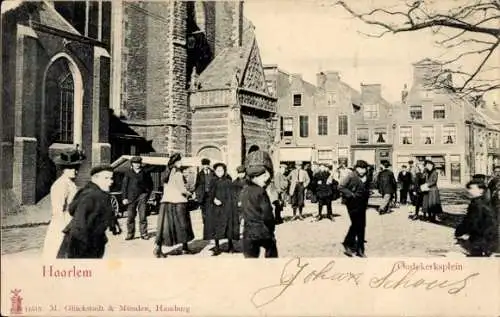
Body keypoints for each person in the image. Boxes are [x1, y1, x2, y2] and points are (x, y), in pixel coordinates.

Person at [60, 165, 119, 258]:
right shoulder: (93, 195)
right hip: (82, 243)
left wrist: (113, 223)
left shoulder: (89, 191)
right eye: (106, 178)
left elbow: (72, 209)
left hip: (87, 240)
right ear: (95, 178)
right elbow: (79, 223)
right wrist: (82, 245)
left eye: (111, 178)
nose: (111, 181)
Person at [43, 149, 85, 259]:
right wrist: (65, 229)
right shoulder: (61, 184)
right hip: (62, 224)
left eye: (76, 168)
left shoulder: (70, 183)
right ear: (63, 169)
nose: (75, 171)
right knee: (58, 254)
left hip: (71, 222)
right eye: (70, 168)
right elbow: (58, 210)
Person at [154, 153, 195, 257]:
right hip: (179, 203)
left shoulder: (166, 173)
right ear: (176, 162)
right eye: (180, 161)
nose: (181, 163)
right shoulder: (178, 173)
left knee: (165, 227)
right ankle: (185, 248)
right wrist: (191, 194)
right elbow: (182, 190)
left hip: (166, 203)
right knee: (183, 225)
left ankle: (158, 248)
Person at [240, 150, 278, 258]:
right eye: (263, 177)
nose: (265, 180)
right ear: (255, 178)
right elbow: (267, 215)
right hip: (262, 232)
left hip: (248, 233)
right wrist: (271, 228)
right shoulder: (261, 192)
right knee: (271, 254)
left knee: (250, 262)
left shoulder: (244, 190)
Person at [455, 179, 497, 257]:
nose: (469, 191)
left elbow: (472, 221)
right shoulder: (482, 201)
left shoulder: (478, 204)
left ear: (481, 190)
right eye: (468, 188)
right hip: (485, 237)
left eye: (472, 189)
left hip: (480, 239)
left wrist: (460, 231)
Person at [204, 163, 239, 255]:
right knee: (216, 226)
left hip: (227, 207)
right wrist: (214, 199)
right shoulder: (212, 181)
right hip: (216, 208)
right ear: (215, 171)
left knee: (229, 226)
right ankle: (217, 246)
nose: (220, 172)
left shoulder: (228, 181)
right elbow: (210, 194)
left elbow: (232, 195)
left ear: (224, 171)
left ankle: (231, 246)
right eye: (218, 171)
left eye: (222, 170)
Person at [339, 160, 371, 257]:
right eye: (360, 168)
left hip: (362, 203)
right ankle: (348, 244)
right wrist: (351, 194)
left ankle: (360, 249)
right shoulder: (351, 176)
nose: (362, 171)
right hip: (352, 203)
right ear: (356, 168)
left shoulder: (367, 177)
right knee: (356, 224)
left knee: (362, 225)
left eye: (364, 169)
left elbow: (367, 188)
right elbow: (341, 187)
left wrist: (368, 193)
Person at [122, 156, 153, 241]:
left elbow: (150, 184)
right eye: (135, 163)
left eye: (138, 163)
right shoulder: (128, 172)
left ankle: (144, 233)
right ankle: (130, 234)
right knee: (131, 216)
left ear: (141, 163)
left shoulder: (145, 172)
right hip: (131, 197)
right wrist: (124, 197)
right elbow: (124, 186)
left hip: (142, 196)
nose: (137, 165)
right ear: (132, 164)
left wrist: (147, 194)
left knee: (143, 216)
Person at [194, 158, 215, 227]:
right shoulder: (199, 174)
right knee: (204, 210)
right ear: (202, 165)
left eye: (207, 165)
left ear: (209, 165)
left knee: (212, 209)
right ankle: (205, 223)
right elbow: (197, 185)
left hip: (211, 194)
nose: (205, 166)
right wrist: (196, 194)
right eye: (204, 165)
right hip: (203, 195)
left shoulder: (213, 173)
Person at [487, 165, 500, 252]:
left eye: (499, 172)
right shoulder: (491, 181)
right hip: (494, 205)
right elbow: (488, 192)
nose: (498, 174)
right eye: (496, 172)